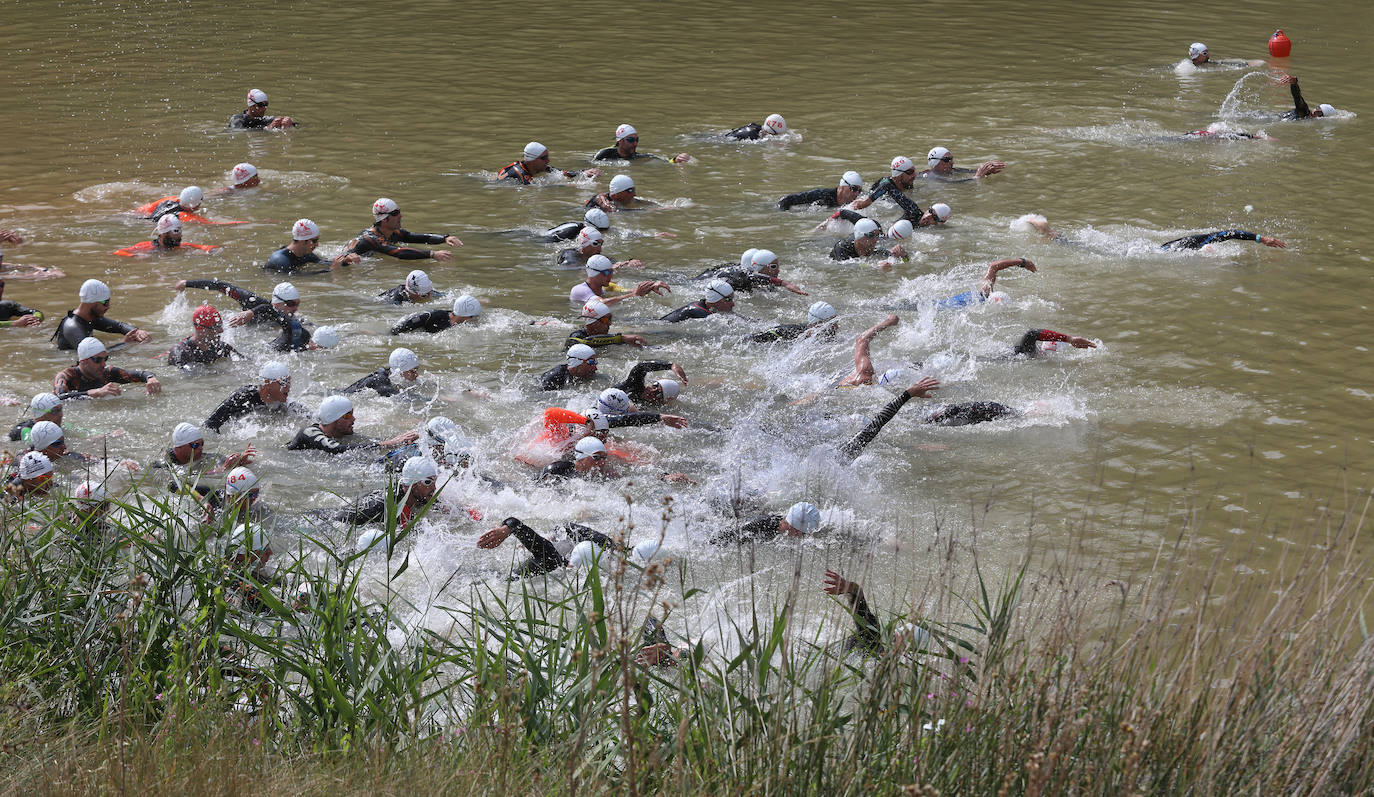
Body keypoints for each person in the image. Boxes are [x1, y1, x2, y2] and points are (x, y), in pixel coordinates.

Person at [176, 279, 315, 351]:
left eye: (298, 304)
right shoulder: (252, 302)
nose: (295, 309)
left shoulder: (292, 320)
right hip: (238, 332)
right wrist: (187, 283)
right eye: (291, 304)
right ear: (277, 302)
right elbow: (221, 286)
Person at [1021, 215, 1285, 251]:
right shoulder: (1201, 242)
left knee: (1090, 247)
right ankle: (1048, 233)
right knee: (1086, 249)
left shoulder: (1196, 241)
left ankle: (1050, 234)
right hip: (1147, 253)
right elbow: (1230, 232)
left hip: (1153, 250)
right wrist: (1261, 239)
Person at [477, 515, 625, 578]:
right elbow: (517, 524)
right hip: (499, 579)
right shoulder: (553, 561)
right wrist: (508, 528)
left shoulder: (559, 562)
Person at [836, 378, 942, 464]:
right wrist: (907, 395)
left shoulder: (837, 458)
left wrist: (907, 394)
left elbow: (874, 425)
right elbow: (876, 424)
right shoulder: (840, 457)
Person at [287, 396, 419, 456]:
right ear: (334, 419)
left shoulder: (341, 434)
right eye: (348, 416)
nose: (354, 419)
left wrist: (399, 442)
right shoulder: (309, 433)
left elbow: (368, 443)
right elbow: (337, 449)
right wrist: (387, 443)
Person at [333, 456, 441, 530]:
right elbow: (339, 520)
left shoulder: (421, 495)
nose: (434, 487)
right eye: (428, 482)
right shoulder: (385, 505)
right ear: (412, 485)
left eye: (435, 481)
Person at [343, 198, 463, 262]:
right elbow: (399, 253)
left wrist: (445, 238)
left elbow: (420, 237)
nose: (401, 216)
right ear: (384, 219)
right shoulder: (371, 238)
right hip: (343, 263)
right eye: (395, 213)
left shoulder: (394, 232)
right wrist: (432, 254)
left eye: (399, 212)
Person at [204, 361, 307, 433]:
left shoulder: (286, 403)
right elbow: (209, 425)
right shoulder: (243, 397)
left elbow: (313, 418)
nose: (288, 387)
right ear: (267, 383)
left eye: (289, 382)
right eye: (283, 382)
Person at [53, 337, 161, 399]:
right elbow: (59, 398)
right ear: (83, 361)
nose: (103, 364)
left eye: (105, 358)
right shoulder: (66, 376)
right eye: (98, 360)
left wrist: (151, 378)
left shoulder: (107, 372)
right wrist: (96, 392)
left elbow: (139, 374)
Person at [692, 249, 807, 295]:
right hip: (699, 286)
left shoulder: (748, 272)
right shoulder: (746, 277)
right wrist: (786, 283)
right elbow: (755, 277)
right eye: (773, 267)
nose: (778, 270)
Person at [934, 258, 1038, 309]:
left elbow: (994, 266)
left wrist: (1022, 262)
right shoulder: (980, 302)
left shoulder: (982, 294)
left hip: (935, 305)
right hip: (938, 308)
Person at [847, 156, 926, 223]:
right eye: (910, 172)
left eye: (914, 171)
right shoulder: (886, 184)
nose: (914, 175)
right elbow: (884, 188)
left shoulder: (907, 184)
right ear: (898, 175)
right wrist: (865, 203)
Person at [264, 219, 359, 273]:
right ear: (302, 241)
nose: (317, 244)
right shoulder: (280, 259)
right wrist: (330, 270)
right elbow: (297, 278)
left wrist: (345, 261)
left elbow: (323, 263)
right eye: (314, 241)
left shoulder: (306, 254)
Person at [569, 254, 668, 306]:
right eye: (607, 273)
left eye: (611, 272)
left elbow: (629, 291)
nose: (610, 277)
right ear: (594, 273)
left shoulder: (608, 287)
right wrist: (634, 295)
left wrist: (651, 286)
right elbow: (601, 303)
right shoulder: (579, 290)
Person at [708, 501, 821, 544]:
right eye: (804, 533)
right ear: (795, 530)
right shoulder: (760, 526)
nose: (803, 536)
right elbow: (721, 537)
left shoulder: (782, 526)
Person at [165, 304, 240, 367]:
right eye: (216, 326)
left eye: (220, 325)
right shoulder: (180, 353)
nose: (221, 330)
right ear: (201, 329)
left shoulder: (222, 348)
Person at [837, 314, 901, 387]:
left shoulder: (860, 376)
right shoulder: (864, 372)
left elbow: (862, 340)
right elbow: (861, 340)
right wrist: (889, 321)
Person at [113, 215, 221, 257]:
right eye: (176, 231)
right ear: (164, 233)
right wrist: (134, 256)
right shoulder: (146, 247)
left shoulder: (181, 246)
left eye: (180, 230)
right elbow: (118, 252)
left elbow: (206, 247)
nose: (180, 234)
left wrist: (210, 251)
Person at [134, 186, 244, 226]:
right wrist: (241, 222)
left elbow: (142, 210)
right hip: (149, 225)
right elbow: (212, 224)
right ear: (197, 204)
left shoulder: (170, 199)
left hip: (143, 220)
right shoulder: (183, 215)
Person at [497, 141, 596, 184]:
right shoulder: (519, 172)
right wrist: (570, 186)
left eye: (547, 157)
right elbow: (533, 189)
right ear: (532, 160)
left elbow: (563, 173)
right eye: (544, 158)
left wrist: (583, 172)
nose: (548, 161)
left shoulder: (540, 167)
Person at [747, 300, 839, 344]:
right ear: (816, 324)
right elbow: (752, 339)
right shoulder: (791, 332)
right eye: (831, 324)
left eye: (836, 322)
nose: (836, 327)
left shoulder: (829, 338)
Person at [566, 300, 648, 349]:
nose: (610, 323)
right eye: (606, 319)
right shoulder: (576, 337)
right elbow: (586, 341)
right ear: (592, 322)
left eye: (610, 319)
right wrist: (621, 338)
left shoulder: (608, 339)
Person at [341, 348, 421, 397]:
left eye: (416, 370)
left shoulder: (388, 374)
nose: (416, 374)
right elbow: (403, 398)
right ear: (399, 371)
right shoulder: (381, 381)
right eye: (412, 371)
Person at [537, 435, 620, 482]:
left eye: (604, 458)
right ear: (582, 456)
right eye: (596, 457)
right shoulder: (557, 470)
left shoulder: (605, 476)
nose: (602, 462)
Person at [390, 294, 482, 335]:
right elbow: (410, 321)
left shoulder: (459, 321)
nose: (475, 319)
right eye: (473, 317)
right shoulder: (433, 316)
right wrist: (392, 333)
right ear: (465, 316)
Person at [593, 124, 689, 163]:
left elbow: (663, 161)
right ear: (620, 141)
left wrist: (675, 160)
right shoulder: (604, 154)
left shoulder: (636, 156)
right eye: (631, 140)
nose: (635, 144)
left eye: (637, 140)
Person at [555, 228, 643, 270]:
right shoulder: (570, 256)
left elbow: (615, 264)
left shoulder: (597, 255)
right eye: (595, 244)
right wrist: (608, 268)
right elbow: (570, 269)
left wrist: (627, 263)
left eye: (601, 244)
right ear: (584, 244)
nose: (600, 248)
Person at [777, 171, 864, 211]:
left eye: (859, 190)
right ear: (843, 186)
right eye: (854, 188)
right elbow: (787, 200)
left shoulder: (855, 201)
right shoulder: (822, 195)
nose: (856, 193)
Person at [829, 218, 906, 263]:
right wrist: (877, 267)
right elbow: (846, 270)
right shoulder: (842, 248)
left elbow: (905, 262)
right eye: (871, 235)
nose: (875, 240)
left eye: (877, 235)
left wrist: (903, 256)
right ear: (859, 236)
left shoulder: (875, 248)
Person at [660, 279, 736, 323]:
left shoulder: (705, 305)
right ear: (716, 300)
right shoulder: (699, 314)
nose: (733, 304)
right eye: (729, 300)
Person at [919, 146, 1006, 181]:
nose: (952, 162)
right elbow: (955, 185)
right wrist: (977, 177)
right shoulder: (932, 176)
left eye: (952, 159)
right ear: (935, 163)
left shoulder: (953, 171)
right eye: (947, 159)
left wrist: (987, 170)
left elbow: (975, 172)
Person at [228, 88, 296, 130]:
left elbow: (298, 125)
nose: (264, 108)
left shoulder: (266, 120)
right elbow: (238, 132)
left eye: (266, 105)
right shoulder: (237, 119)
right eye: (260, 105)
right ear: (251, 106)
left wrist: (289, 123)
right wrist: (267, 128)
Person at [585, 175, 655, 213]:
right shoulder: (600, 198)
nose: (634, 194)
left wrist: (660, 207)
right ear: (616, 194)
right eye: (630, 191)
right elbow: (612, 210)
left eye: (634, 190)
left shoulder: (623, 198)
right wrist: (643, 211)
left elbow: (640, 202)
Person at [542, 208, 611, 243]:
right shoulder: (571, 231)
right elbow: (548, 241)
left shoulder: (582, 229)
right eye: (601, 231)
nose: (602, 233)